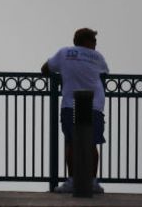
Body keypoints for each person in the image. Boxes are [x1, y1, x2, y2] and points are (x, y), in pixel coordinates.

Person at [41, 27, 109, 194]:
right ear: (87, 41)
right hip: (94, 105)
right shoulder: (98, 57)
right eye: (94, 41)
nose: (95, 44)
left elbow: (45, 68)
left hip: (71, 104)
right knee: (92, 144)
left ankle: (73, 180)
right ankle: (92, 181)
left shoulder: (64, 53)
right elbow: (105, 73)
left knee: (71, 143)